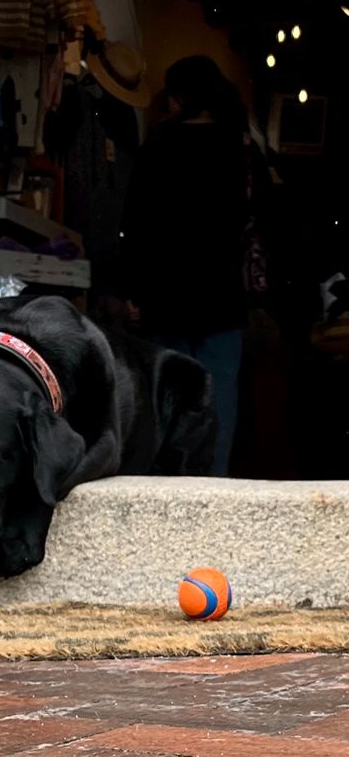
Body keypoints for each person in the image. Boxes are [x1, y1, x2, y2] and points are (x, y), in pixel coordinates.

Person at [120, 56, 253, 476]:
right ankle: (215, 488)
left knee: (169, 397)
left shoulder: (157, 148)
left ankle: (170, 486)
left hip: (166, 295)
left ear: (178, 97)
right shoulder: (239, 148)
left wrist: (134, 290)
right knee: (220, 398)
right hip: (223, 295)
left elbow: (136, 226)